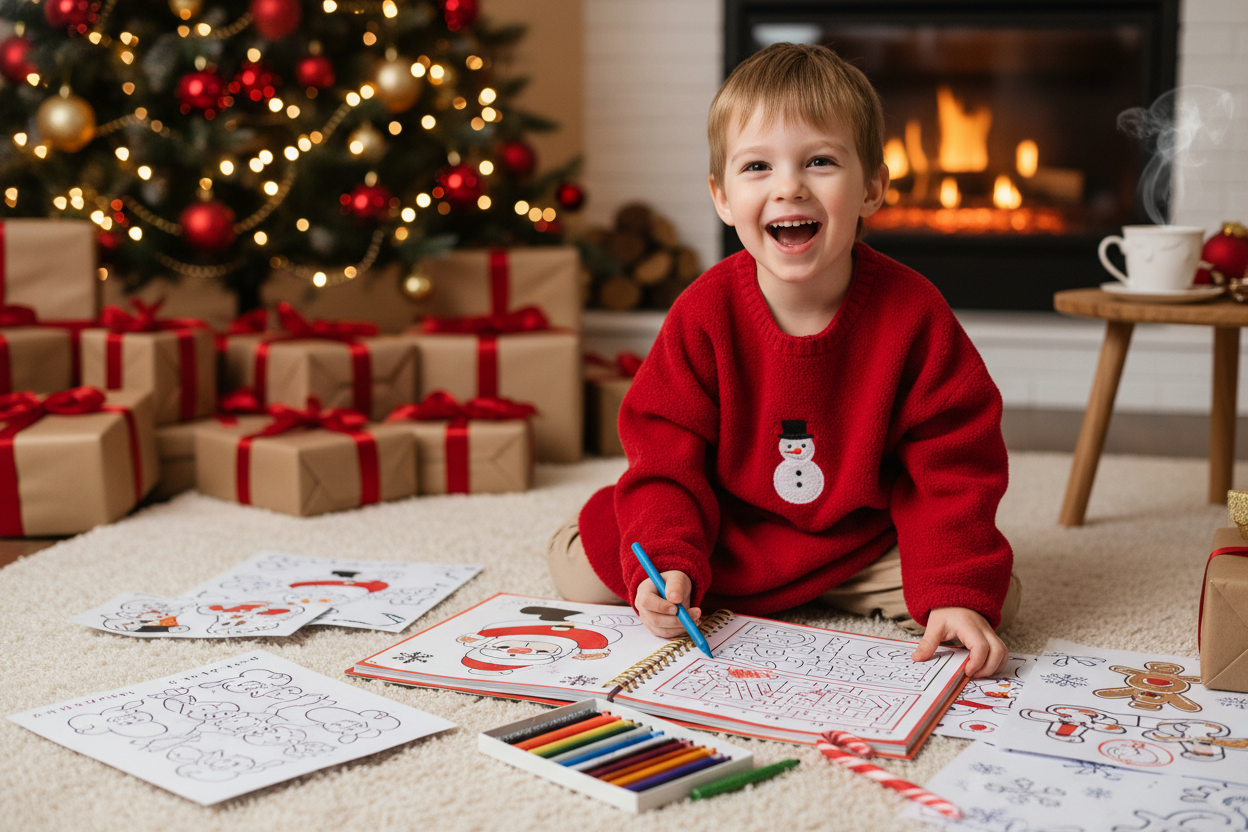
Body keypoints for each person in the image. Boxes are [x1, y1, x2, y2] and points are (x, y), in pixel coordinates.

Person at [548, 41, 1020, 678]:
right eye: (757, 167)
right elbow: (664, 453)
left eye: (820, 161)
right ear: (722, 197)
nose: (789, 187)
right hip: (728, 532)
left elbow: (954, 461)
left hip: (859, 539)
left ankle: (861, 586)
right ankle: (684, 568)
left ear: (873, 187)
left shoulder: (914, 312)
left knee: (989, 600)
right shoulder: (703, 312)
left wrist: (955, 589)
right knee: (587, 569)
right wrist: (670, 561)